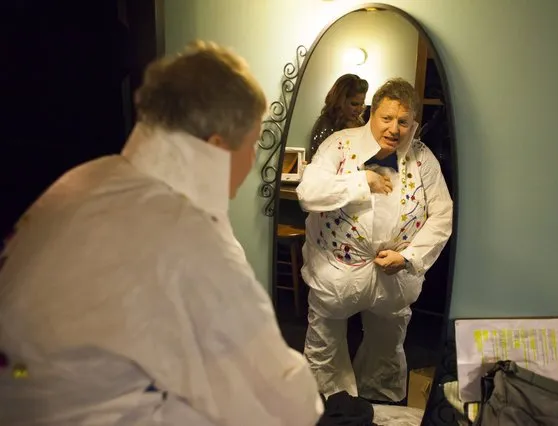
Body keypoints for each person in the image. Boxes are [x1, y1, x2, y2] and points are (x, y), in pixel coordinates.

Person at [0, 41, 323, 425]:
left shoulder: (88, 178)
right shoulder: (184, 232)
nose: (253, 160)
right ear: (217, 146)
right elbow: (277, 400)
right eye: (252, 143)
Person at [296, 78, 453, 403]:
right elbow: (308, 193)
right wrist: (360, 181)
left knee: (387, 349)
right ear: (372, 114)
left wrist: (409, 257)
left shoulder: (423, 159)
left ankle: (380, 405)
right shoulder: (340, 145)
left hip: (394, 281)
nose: (394, 128)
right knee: (325, 347)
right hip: (336, 274)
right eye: (386, 118)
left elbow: (442, 215)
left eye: (403, 121)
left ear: (414, 124)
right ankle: (328, 405)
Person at [309, 74, 369, 159]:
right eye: (354, 104)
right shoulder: (325, 124)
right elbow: (316, 162)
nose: (359, 110)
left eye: (362, 104)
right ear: (340, 101)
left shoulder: (360, 124)